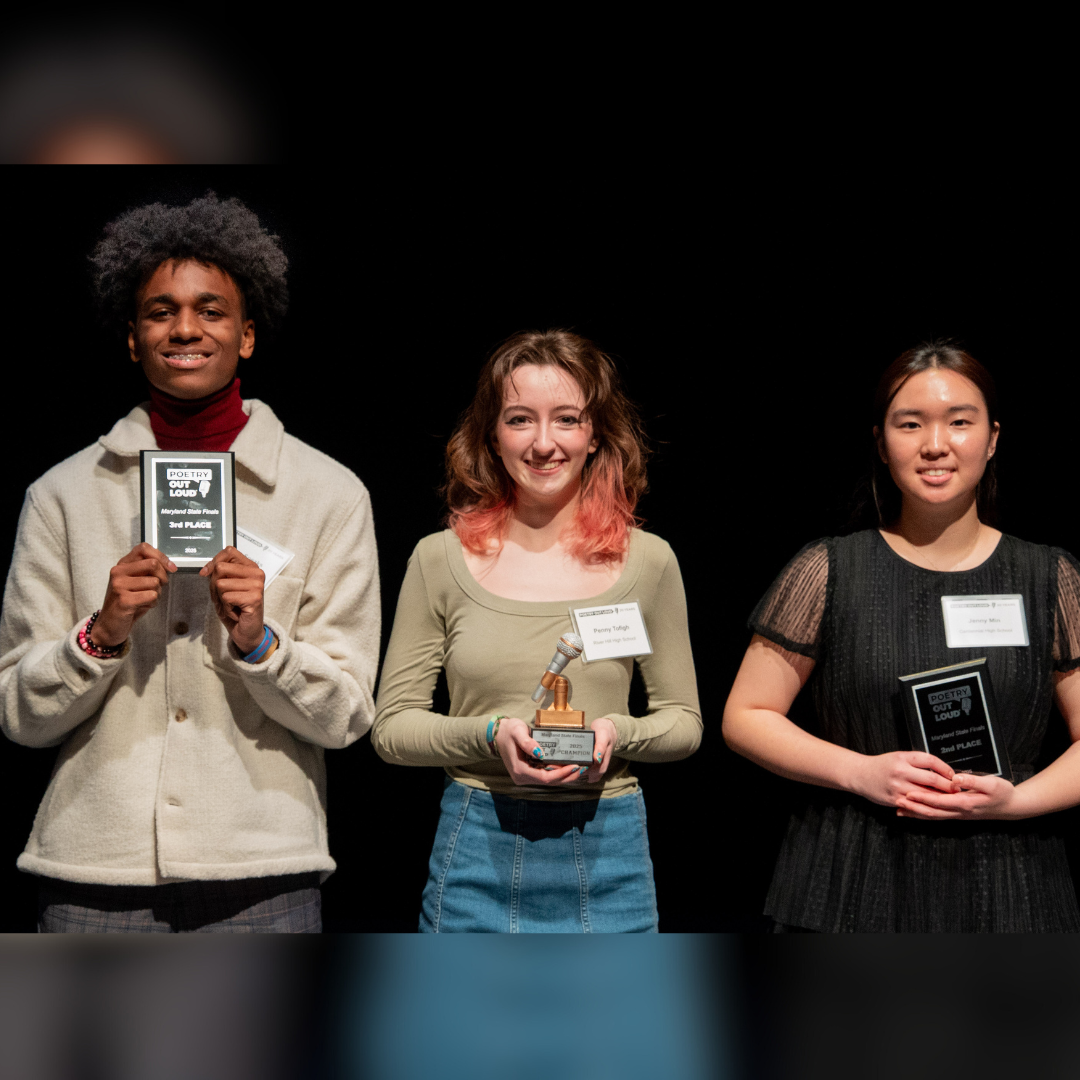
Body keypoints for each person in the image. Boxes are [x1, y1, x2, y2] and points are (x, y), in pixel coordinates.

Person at [0, 193, 380, 932]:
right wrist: (100, 634)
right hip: (93, 874)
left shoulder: (328, 494)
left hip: (262, 875)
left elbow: (347, 717)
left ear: (246, 335)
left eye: (211, 310)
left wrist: (260, 644)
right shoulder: (64, 495)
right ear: (133, 340)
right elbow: (19, 713)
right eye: (159, 311)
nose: (185, 329)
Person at [723, 340, 1080, 932]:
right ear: (882, 444)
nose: (935, 444)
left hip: (1010, 887)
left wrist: (1017, 800)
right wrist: (859, 772)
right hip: (848, 882)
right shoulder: (830, 567)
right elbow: (746, 715)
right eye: (910, 424)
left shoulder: (1049, 577)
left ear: (992, 439)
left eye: (959, 422)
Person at [371, 330, 701, 932]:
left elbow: (683, 721)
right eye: (521, 419)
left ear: (595, 433)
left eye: (567, 419)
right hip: (478, 846)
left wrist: (612, 734)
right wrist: (492, 734)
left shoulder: (648, 562)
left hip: (611, 849)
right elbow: (393, 730)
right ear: (492, 437)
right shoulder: (437, 559)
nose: (544, 443)